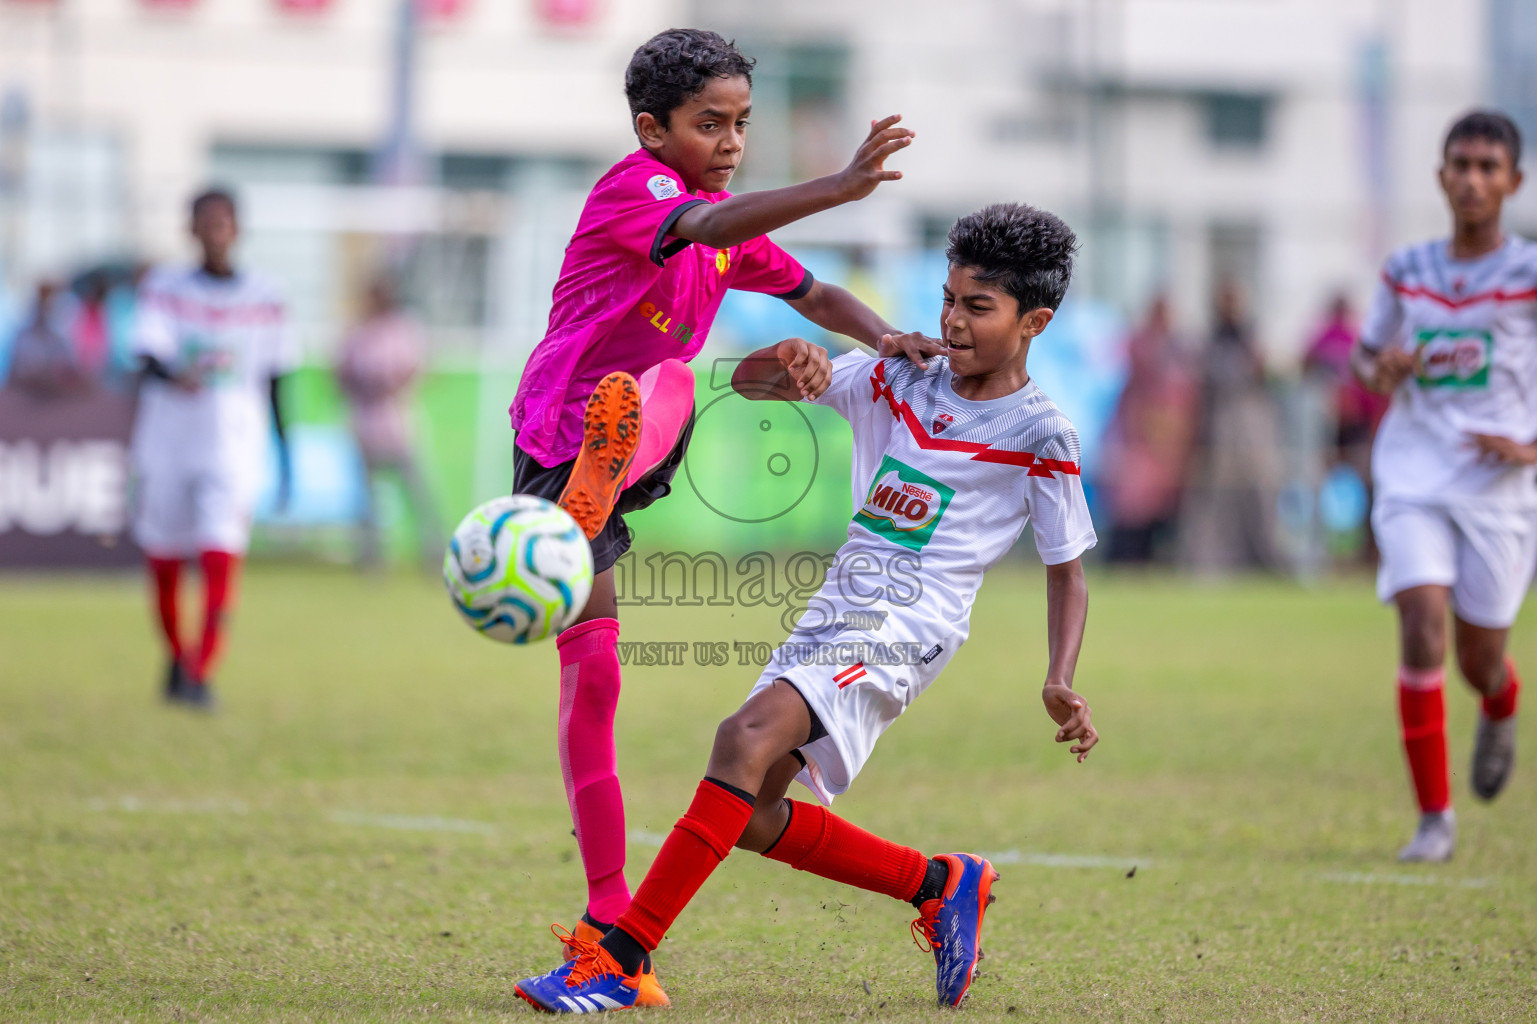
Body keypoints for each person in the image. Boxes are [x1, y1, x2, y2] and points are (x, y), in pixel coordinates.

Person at [512, 203, 1100, 1013]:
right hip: (837, 610)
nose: (951, 321)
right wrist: (786, 360)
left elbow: (1066, 566)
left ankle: (620, 955)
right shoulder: (901, 375)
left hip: (909, 626)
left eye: (977, 307)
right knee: (751, 812)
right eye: (947, 298)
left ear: (1033, 321)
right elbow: (752, 384)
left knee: (740, 739)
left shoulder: (1040, 432)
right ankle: (936, 883)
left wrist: (1057, 677)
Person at [505, 29, 940, 999]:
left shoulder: (720, 221)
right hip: (554, 437)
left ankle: (609, 473)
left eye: (742, 123)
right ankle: (605, 916)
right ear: (651, 128)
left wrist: (888, 334)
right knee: (596, 676)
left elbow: (816, 289)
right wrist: (837, 187)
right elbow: (707, 230)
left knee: (663, 389)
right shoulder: (642, 192)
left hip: (618, 444)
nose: (733, 141)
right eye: (712, 124)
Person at [1350, 110, 1535, 862]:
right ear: (1439, 176)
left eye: (1488, 166)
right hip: (1413, 471)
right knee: (1420, 620)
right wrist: (1380, 371)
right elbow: (1366, 361)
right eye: (1459, 164)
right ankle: (1434, 819)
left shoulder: (1526, 274)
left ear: (1512, 182)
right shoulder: (1406, 269)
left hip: (1497, 488)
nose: (1471, 178)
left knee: (1475, 658)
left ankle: (1499, 699)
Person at [129, 188, 296, 708]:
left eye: (224, 223)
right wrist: (172, 374)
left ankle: (202, 672)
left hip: (232, 446)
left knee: (221, 549)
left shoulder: (267, 296)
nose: (215, 232)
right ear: (191, 230)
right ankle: (177, 657)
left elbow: (275, 379)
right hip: (168, 442)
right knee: (164, 553)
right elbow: (147, 355)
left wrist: (284, 451)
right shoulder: (164, 287)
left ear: (237, 230)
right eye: (206, 222)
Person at [335, 272, 440, 569]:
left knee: (419, 494)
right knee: (366, 499)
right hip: (365, 425)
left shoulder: (404, 329)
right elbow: (340, 373)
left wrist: (391, 381)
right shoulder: (358, 332)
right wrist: (362, 384)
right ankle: (371, 557)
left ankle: (432, 553)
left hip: (398, 424)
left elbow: (418, 369)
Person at [1100, 296, 1197, 563]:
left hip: (1166, 446)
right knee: (1133, 504)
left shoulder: (1176, 354)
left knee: (1159, 507)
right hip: (1141, 441)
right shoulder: (1145, 349)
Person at [5, 280, 89, 400]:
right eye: (42, 302)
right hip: (25, 402)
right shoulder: (23, 337)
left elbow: (72, 372)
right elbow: (15, 375)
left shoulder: (60, 340)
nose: (44, 307)